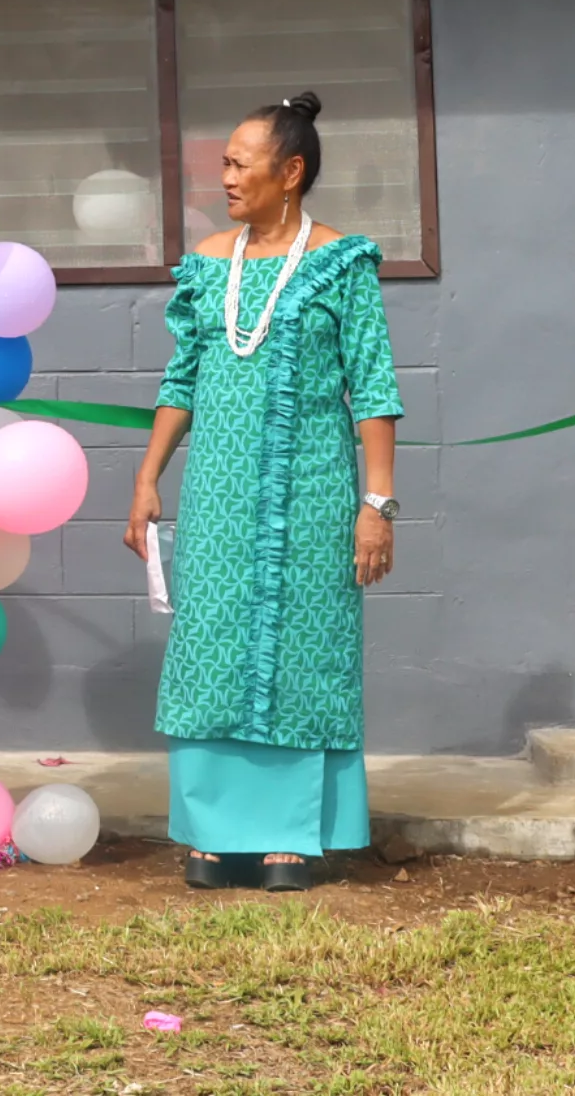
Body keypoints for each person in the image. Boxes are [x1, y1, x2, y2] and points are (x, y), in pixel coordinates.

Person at [125, 92, 402, 895]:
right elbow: (182, 379)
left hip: (315, 494)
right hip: (216, 495)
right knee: (210, 648)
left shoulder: (342, 264)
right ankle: (214, 834)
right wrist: (148, 480)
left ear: (292, 172)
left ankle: (288, 836)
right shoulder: (212, 262)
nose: (226, 177)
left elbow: (374, 390)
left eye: (241, 163)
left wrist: (375, 506)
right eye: (224, 163)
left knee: (304, 648)